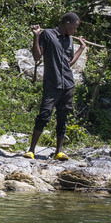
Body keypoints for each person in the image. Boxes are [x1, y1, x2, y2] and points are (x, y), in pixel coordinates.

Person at [27, 13, 86, 160]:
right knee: (44, 115)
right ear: (67, 23)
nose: (76, 31)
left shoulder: (70, 41)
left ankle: (58, 152)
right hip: (52, 84)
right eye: (75, 27)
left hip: (67, 84)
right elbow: (36, 56)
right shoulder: (47, 35)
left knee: (63, 116)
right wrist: (36, 36)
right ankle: (31, 150)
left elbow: (69, 63)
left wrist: (81, 48)